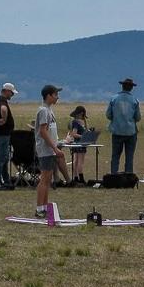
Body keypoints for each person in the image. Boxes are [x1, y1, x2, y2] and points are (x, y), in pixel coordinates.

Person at [33, 84, 65, 218]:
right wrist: (55, 148)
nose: (57, 97)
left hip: (50, 150)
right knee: (44, 179)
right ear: (48, 96)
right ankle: (39, 208)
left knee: (48, 179)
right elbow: (43, 131)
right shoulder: (43, 111)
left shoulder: (49, 110)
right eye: (55, 94)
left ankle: (45, 207)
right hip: (45, 150)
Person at [106, 77, 141, 174]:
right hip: (131, 132)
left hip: (117, 131)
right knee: (129, 156)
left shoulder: (114, 99)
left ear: (122, 86)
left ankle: (113, 174)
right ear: (131, 88)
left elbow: (108, 115)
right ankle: (128, 175)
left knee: (115, 156)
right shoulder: (134, 100)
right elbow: (138, 117)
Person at [0, 82, 20, 190]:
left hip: (1, 134)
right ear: (6, 91)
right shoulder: (2, 100)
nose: (12, 95)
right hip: (3, 134)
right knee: (1, 158)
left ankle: (6, 180)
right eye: (11, 93)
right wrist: (4, 119)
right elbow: (3, 109)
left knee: (5, 158)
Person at [66, 105, 91, 185]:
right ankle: (81, 178)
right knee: (80, 162)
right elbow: (74, 134)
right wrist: (83, 136)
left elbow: (85, 131)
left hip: (78, 144)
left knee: (76, 161)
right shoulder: (76, 122)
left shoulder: (78, 122)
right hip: (80, 144)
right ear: (81, 113)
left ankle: (76, 177)